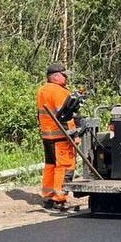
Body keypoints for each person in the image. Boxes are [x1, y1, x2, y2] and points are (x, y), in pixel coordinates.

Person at [36, 62, 79, 213]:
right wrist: (74, 135)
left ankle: (48, 197)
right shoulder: (60, 92)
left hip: (47, 136)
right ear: (54, 77)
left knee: (51, 166)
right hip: (61, 136)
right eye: (64, 75)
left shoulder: (42, 90)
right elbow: (66, 117)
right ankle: (59, 200)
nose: (66, 78)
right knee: (65, 167)